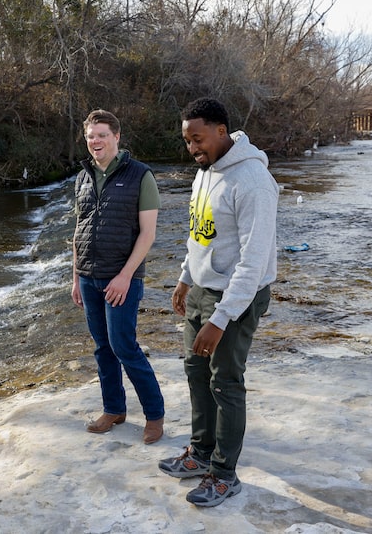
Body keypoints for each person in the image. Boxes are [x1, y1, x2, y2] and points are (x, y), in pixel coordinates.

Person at [158, 98, 278, 506]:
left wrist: (222, 317)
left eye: (198, 138)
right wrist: (184, 278)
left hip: (237, 296)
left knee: (225, 382)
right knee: (195, 370)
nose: (192, 147)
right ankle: (200, 453)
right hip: (203, 290)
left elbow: (253, 260)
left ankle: (224, 474)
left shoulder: (253, 181)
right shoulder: (205, 174)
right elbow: (200, 233)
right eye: (187, 140)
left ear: (222, 131)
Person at [71, 109, 165, 445]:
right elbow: (78, 230)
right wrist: (75, 277)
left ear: (117, 137)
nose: (95, 141)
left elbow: (148, 234)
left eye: (102, 135)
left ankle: (154, 415)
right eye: (90, 136)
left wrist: (126, 276)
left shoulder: (140, 176)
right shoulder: (83, 176)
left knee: (124, 346)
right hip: (88, 277)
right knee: (102, 349)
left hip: (122, 279)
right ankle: (114, 409)